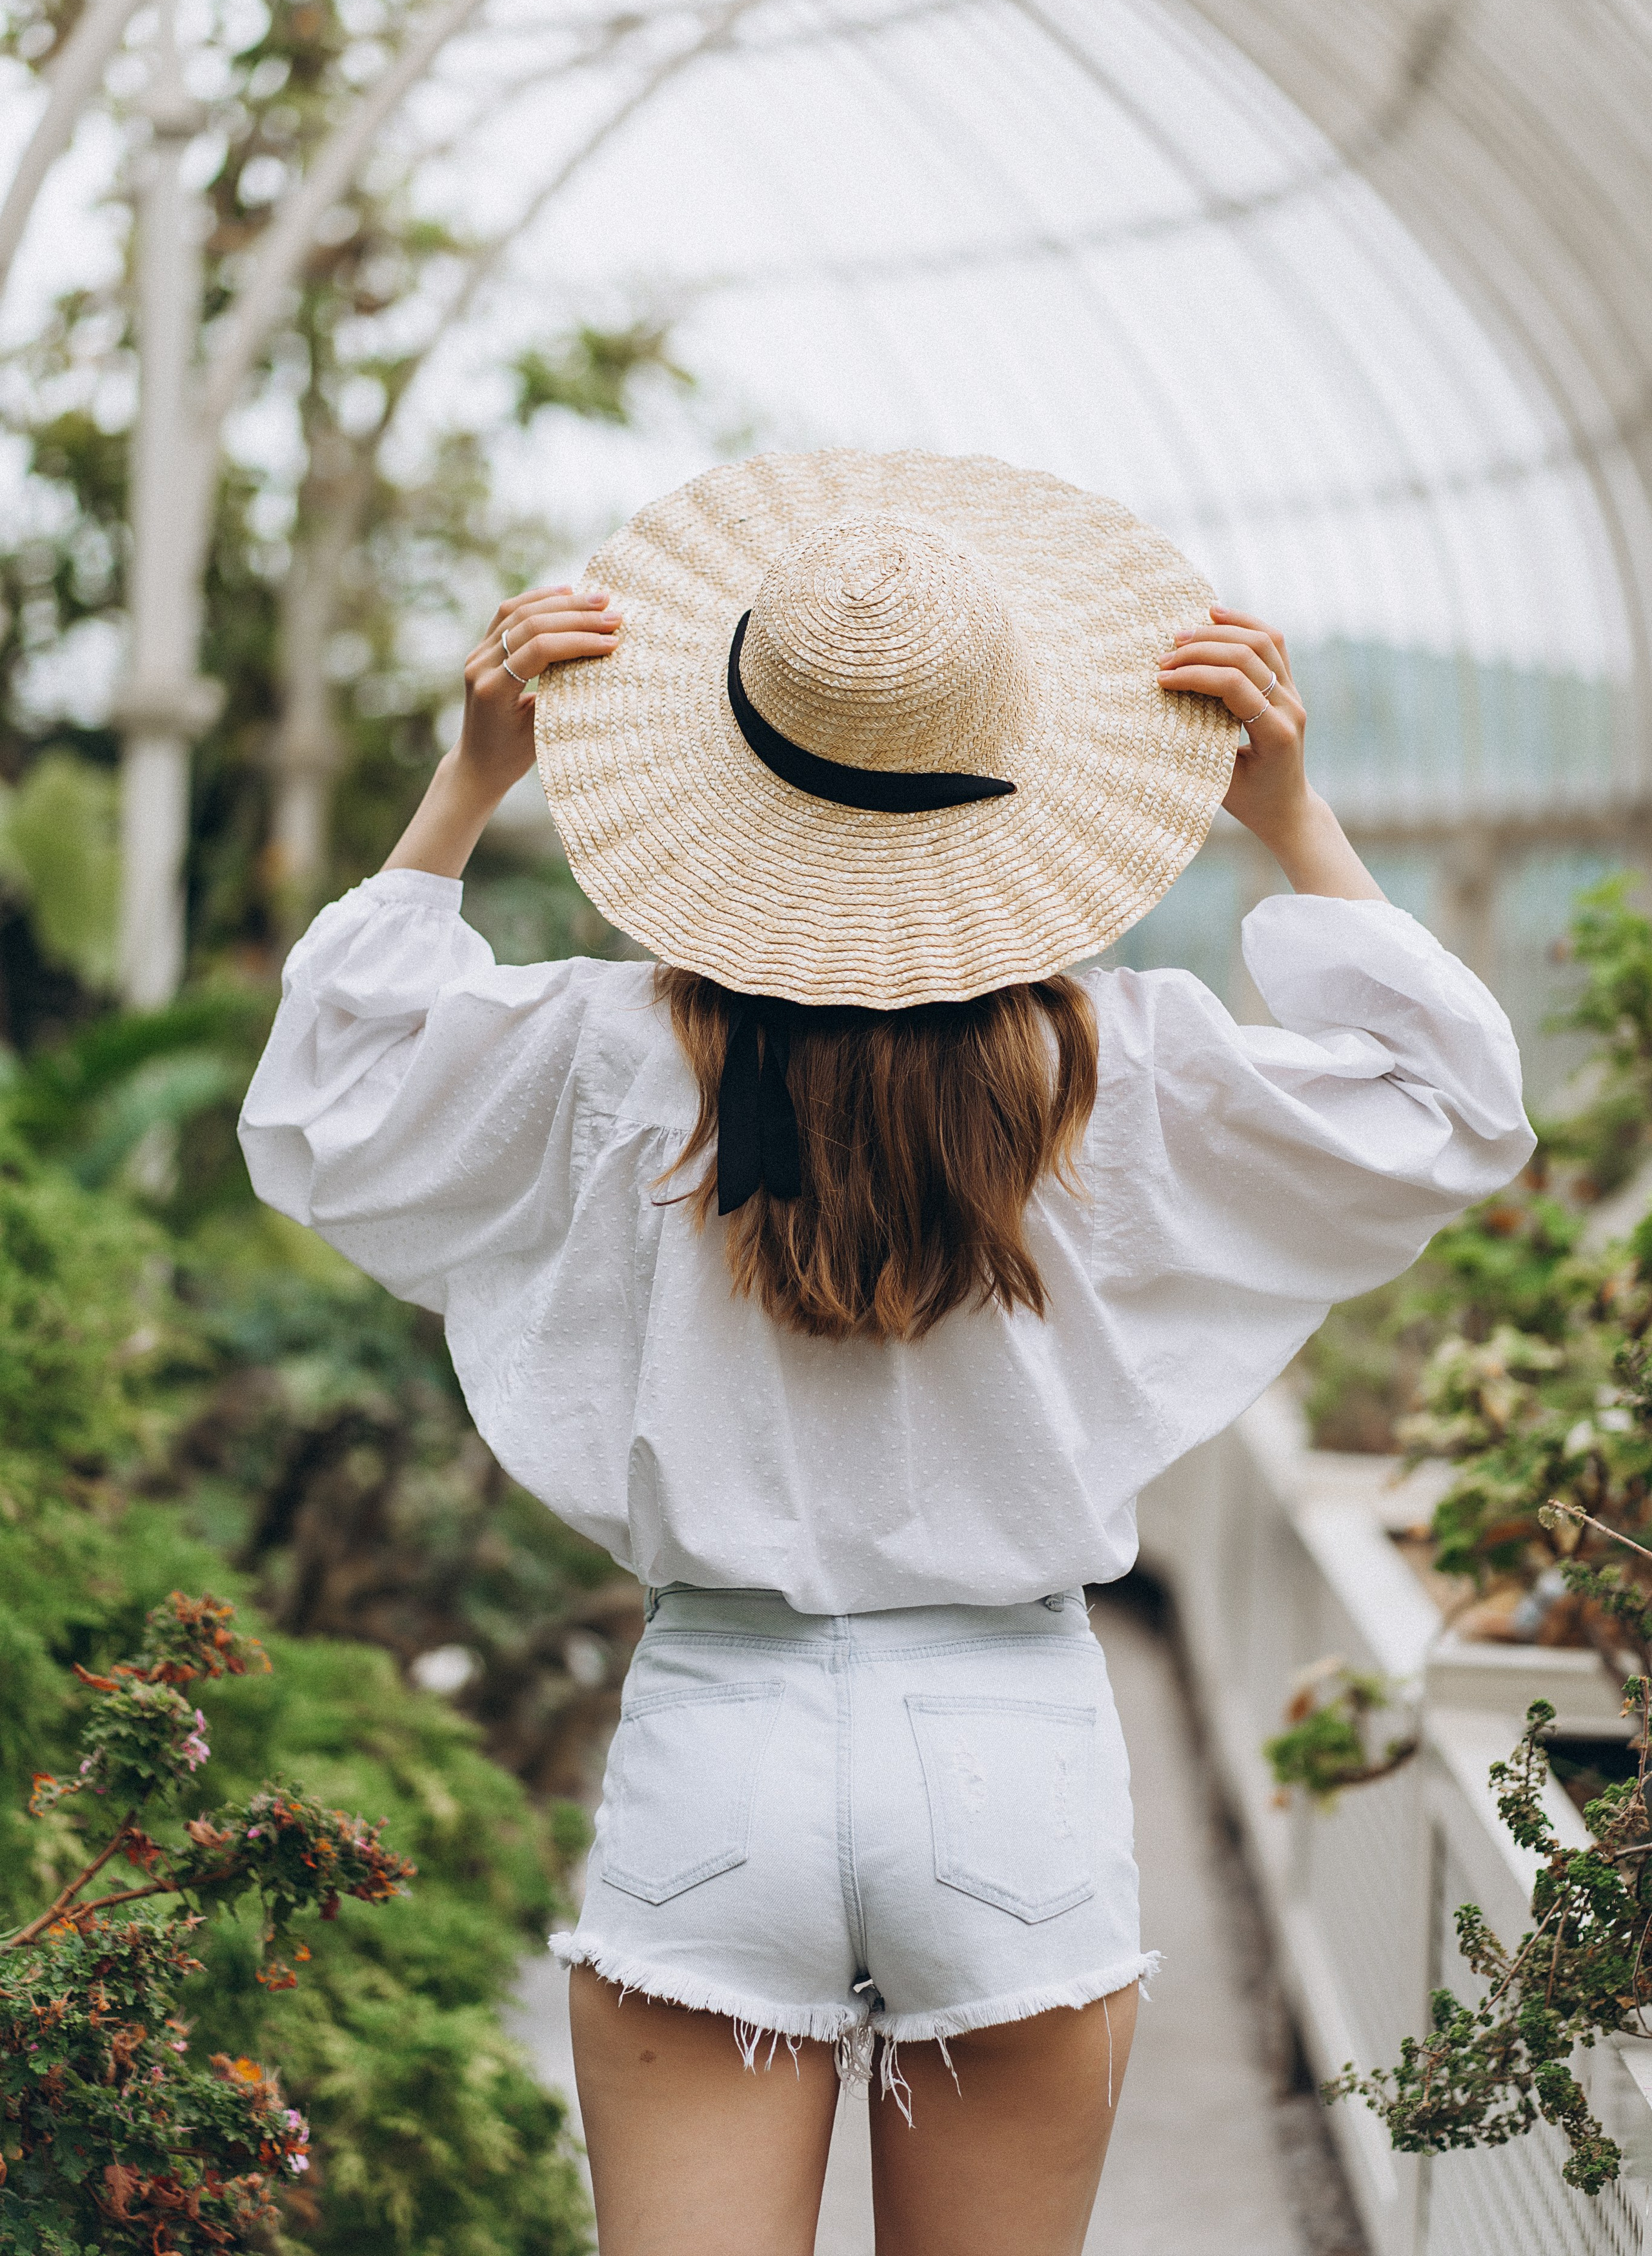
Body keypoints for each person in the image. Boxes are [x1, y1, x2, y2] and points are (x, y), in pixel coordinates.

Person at [240, 450, 1533, 2256]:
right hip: (1013, 1758)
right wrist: (1293, 818)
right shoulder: (1120, 1071)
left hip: (719, 1738)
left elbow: (320, 1106)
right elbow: (1456, 1109)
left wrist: (467, 784)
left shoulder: (610, 1055)